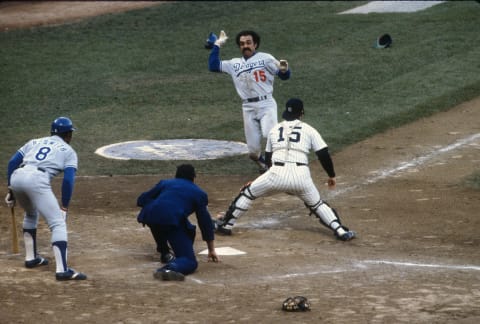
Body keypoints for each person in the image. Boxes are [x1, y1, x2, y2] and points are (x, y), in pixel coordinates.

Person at [214, 98, 356, 241]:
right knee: (317, 204)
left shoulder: (274, 129)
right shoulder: (309, 130)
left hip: (276, 173)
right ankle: (340, 231)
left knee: (248, 193)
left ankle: (226, 225)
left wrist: (263, 180)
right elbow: (323, 154)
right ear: (301, 113)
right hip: (301, 177)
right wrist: (331, 175)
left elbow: (268, 159)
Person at [5, 117, 87, 280]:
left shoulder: (34, 142)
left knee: (30, 213)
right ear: (69, 134)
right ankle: (62, 270)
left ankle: (31, 259)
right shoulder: (69, 151)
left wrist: (11, 191)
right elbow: (68, 180)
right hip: (36, 179)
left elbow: (12, 163)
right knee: (57, 223)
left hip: (18, 176)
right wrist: (64, 206)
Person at [207, 29, 291, 173]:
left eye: (248, 43)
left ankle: (283, 162)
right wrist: (218, 44)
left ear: (255, 44)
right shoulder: (234, 64)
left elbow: (284, 75)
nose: (245, 46)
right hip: (247, 107)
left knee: (270, 134)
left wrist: (284, 70)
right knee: (252, 152)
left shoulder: (266, 58)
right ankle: (264, 166)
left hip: (266, 104)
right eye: (242, 44)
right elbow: (213, 66)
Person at [136, 164, 219, 281]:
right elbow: (205, 223)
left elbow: (141, 200)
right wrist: (211, 249)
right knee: (190, 261)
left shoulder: (165, 183)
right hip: (171, 220)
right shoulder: (199, 193)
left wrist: (156, 205)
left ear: (176, 175)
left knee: (160, 220)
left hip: (149, 216)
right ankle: (170, 268)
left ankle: (165, 252)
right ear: (193, 177)